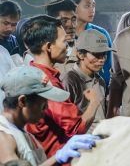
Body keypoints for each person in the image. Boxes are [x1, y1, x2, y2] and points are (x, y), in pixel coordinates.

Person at [21, 15, 102, 157]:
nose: (67, 45)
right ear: (48, 47)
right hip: (54, 158)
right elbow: (76, 129)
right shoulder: (47, 83)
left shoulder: (31, 72)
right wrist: (95, 102)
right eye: (64, 41)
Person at [0, 66, 99, 166]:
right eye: (43, 104)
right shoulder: (4, 137)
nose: (46, 108)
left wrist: (57, 158)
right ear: (22, 101)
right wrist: (58, 157)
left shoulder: (21, 130)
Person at [62, 30, 110, 133]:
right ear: (80, 54)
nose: (102, 60)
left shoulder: (100, 81)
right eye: (97, 55)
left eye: (104, 54)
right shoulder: (70, 81)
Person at [71, 0, 112, 87]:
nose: (92, 10)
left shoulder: (101, 33)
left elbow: (107, 67)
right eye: (87, 6)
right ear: (74, 8)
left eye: (93, 5)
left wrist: (103, 88)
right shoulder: (64, 34)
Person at [45, 0, 78, 76]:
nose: (72, 25)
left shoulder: (85, 51)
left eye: (73, 19)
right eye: (64, 21)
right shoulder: (39, 53)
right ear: (51, 23)